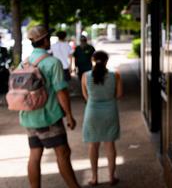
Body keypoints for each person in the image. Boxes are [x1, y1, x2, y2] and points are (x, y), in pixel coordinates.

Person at [20, 25, 80, 188]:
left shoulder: (24, 63)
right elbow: (61, 92)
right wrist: (69, 115)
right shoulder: (53, 63)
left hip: (29, 116)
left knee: (35, 154)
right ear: (45, 40)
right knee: (63, 153)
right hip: (49, 117)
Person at [81, 51, 122, 186]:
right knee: (110, 144)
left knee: (93, 145)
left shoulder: (85, 76)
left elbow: (86, 96)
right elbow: (119, 94)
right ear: (106, 61)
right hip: (110, 111)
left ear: (93, 60)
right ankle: (111, 177)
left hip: (92, 111)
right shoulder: (115, 75)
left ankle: (94, 177)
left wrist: (95, 101)